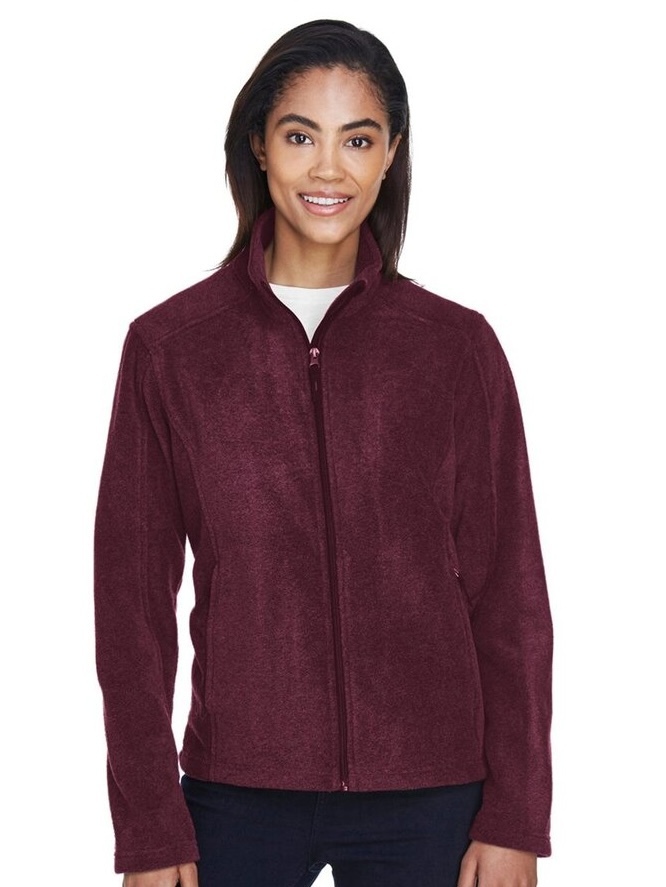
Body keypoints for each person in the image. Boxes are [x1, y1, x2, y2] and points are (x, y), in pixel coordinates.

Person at [94, 19, 553, 887]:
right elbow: (130, 609)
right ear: (259, 146)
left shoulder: (455, 348)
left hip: (433, 796)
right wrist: (149, 825)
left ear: (391, 154)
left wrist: (517, 815)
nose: (329, 169)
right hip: (235, 797)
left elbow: (511, 598)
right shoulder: (171, 348)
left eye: (359, 139)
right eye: (301, 136)